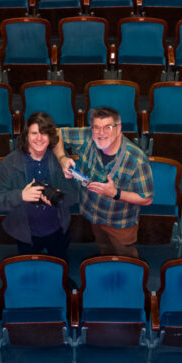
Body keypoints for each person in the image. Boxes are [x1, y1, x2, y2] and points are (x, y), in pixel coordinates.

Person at [52, 106, 153, 258]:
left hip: (119, 222)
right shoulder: (87, 136)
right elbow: (56, 133)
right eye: (96, 127)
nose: (101, 133)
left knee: (126, 258)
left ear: (119, 129)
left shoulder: (137, 159)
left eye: (108, 127)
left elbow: (146, 198)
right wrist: (61, 158)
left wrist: (115, 193)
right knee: (104, 249)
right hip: (94, 214)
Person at [0, 111, 76, 260]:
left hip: (58, 228)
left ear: (51, 137)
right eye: (34, 133)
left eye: (44, 133)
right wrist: (21, 195)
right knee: (31, 270)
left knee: (61, 263)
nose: (39, 138)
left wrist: (59, 196)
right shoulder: (11, 162)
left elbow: (74, 195)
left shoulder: (60, 160)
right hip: (26, 232)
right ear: (26, 136)